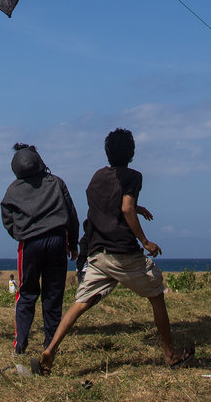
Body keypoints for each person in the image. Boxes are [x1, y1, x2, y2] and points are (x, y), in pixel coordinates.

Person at [31, 128, 192, 375]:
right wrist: (145, 241)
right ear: (132, 153)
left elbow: (108, 205)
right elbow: (125, 208)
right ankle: (170, 354)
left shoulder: (96, 178)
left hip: (98, 253)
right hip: (123, 254)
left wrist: (136, 208)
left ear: (107, 153)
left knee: (80, 303)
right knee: (157, 295)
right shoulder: (133, 176)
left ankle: (50, 350)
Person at [0, 143, 79, 355]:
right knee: (53, 295)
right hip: (57, 240)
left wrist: (19, 233)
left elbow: (7, 217)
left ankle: (20, 344)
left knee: (26, 292)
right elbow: (71, 215)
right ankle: (50, 345)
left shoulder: (13, 190)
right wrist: (73, 243)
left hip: (29, 244)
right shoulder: (56, 182)